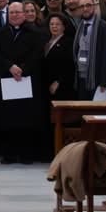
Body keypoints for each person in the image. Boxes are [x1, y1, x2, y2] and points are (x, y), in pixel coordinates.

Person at [0, 2, 46, 164]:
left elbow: (37, 54)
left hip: (26, 80)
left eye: (17, 12)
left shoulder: (34, 33)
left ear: (24, 14)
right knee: (7, 119)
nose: (14, 15)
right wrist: (9, 67)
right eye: (11, 12)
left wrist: (22, 69)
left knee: (26, 118)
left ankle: (26, 154)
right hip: (6, 80)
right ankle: (9, 153)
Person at [42, 13, 76, 157]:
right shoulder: (47, 41)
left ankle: (60, 152)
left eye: (57, 24)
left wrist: (59, 81)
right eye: (52, 24)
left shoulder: (69, 42)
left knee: (59, 120)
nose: (54, 27)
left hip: (61, 87)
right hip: (46, 85)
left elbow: (70, 65)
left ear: (63, 26)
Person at [72, 0, 106, 100]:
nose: (85, 9)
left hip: (97, 78)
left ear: (94, 7)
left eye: (88, 5)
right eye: (82, 6)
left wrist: (104, 81)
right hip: (81, 76)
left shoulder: (105, 27)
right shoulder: (80, 26)